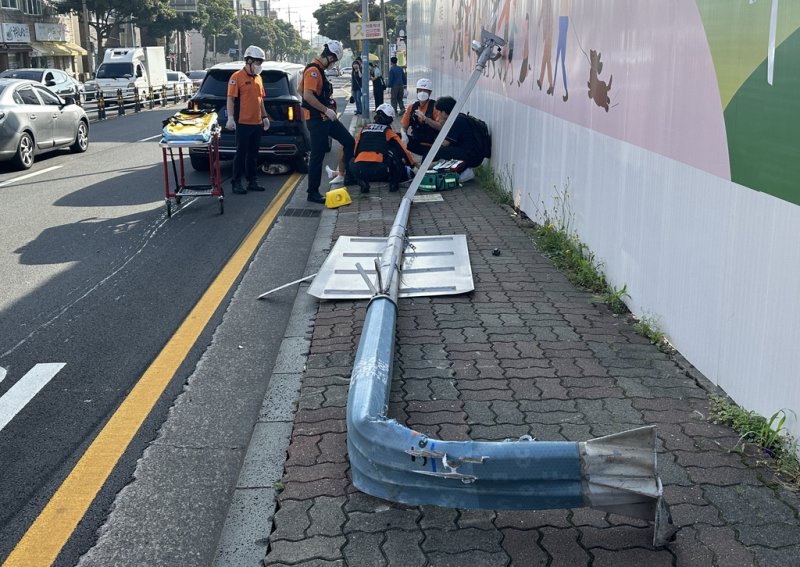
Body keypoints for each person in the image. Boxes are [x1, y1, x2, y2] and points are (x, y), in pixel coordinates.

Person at [300, 41, 355, 204]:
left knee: (349, 141)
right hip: (317, 120)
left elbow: (299, 89)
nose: (334, 64)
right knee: (317, 155)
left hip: (326, 117)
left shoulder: (319, 70)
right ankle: (312, 192)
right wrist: (325, 109)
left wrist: (326, 109)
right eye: (334, 61)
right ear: (330, 57)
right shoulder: (313, 71)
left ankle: (349, 176)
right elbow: (307, 95)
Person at [225, 45, 271, 194]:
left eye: (260, 63)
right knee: (241, 154)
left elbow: (260, 100)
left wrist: (264, 117)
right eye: (257, 62)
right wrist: (230, 118)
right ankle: (236, 182)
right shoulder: (236, 77)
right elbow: (230, 99)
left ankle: (252, 181)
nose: (259, 66)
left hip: (257, 122)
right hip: (243, 122)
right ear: (249, 60)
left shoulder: (258, 78)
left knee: (253, 155)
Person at [349, 103, 416, 194]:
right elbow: (403, 151)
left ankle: (362, 182)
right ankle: (393, 184)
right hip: (380, 170)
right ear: (390, 119)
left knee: (352, 160)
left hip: (360, 169)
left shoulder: (364, 129)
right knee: (394, 152)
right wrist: (412, 165)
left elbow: (355, 150)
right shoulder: (388, 132)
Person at [432, 95, 484, 182]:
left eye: (439, 112)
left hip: (472, 156)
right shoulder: (458, 117)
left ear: (444, 113)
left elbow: (445, 143)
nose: (438, 115)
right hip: (473, 153)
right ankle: (460, 170)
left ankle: (465, 171)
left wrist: (441, 125)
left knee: (440, 150)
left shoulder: (456, 121)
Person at [400, 78, 439, 158]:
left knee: (426, 167)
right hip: (416, 142)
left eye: (425, 91)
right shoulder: (412, 107)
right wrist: (403, 134)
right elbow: (404, 127)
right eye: (420, 90)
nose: (422, 93)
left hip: (432, 145)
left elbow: (441, 127)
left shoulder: (435, 107)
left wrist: (426, 119)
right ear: (417, 91)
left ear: (430, 93)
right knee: (396, 137)